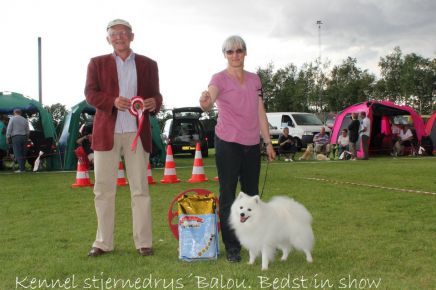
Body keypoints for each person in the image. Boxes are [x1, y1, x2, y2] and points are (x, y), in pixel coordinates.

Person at [84, 19, 162, 257]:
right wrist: (112, 102)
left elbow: (157, 96)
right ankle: (103, 242)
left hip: (137, 134)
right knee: (103, 190)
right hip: (106, 133)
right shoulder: (96, 63)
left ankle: (144, 243)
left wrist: (153, 103)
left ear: (132, 36)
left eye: (123, 33)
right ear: (108, 39)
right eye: (114, 34)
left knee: (140, 189)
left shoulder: (149, 64)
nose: (119, 37)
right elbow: (90, 94)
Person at [199, 35, 275, 263]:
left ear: (245, 53)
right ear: (224, 54)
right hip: (228, 143)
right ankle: (232, 247)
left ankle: (252, 242)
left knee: (252, 197)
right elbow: (208, 99)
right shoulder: (219, 78)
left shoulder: (255, 80)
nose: (235, 55)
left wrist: (268, 142)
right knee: (228, 195)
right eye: (230, 51)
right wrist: (204, 102)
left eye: (239, 51)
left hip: (252, 144)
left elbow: (260, 110)